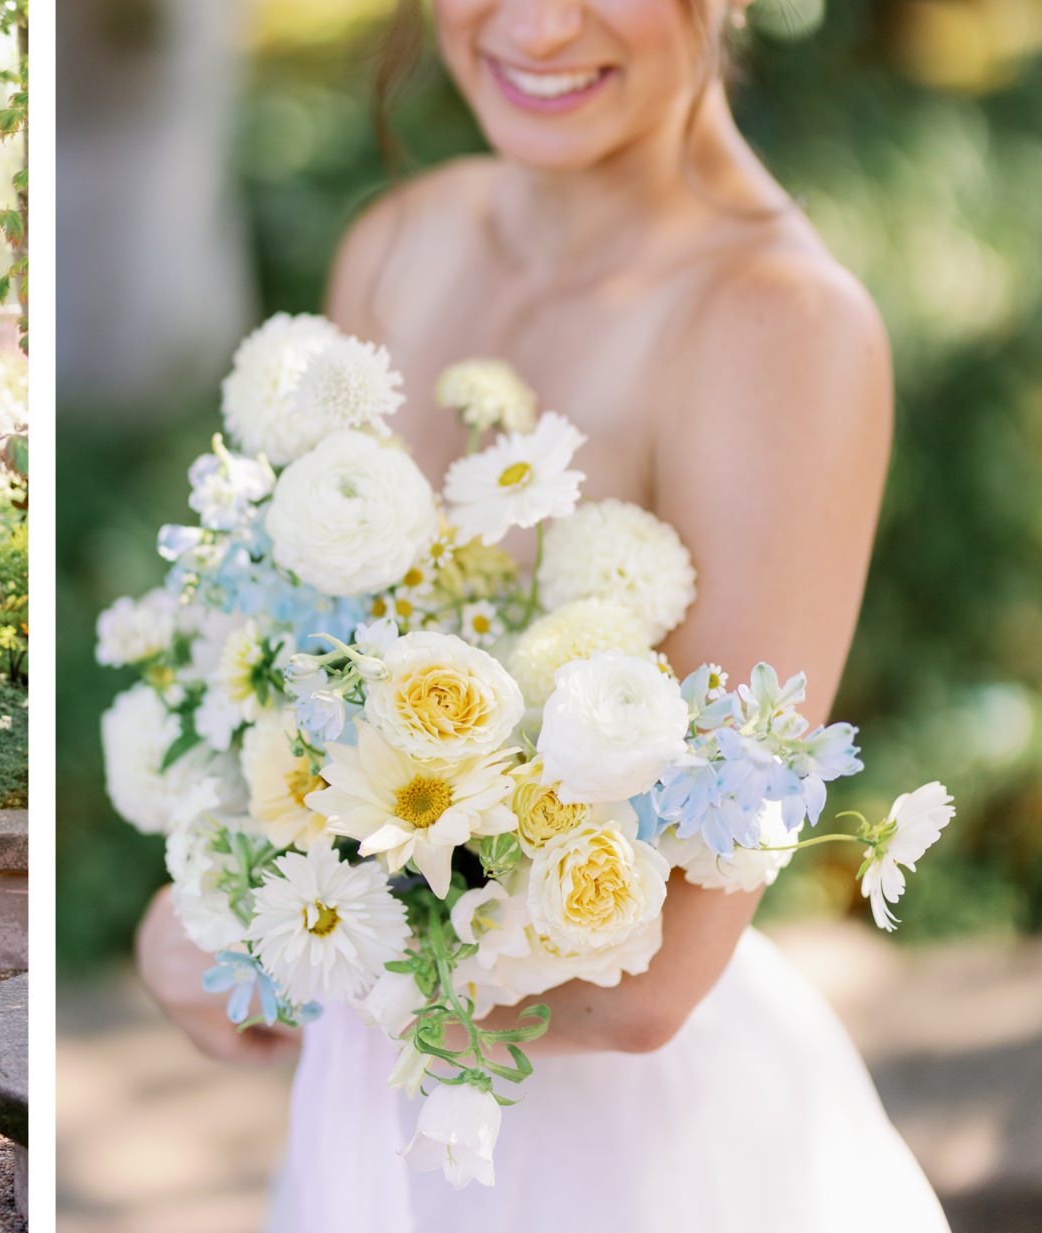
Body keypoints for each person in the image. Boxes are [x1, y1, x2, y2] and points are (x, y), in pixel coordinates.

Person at [134, 1, 951, 1228]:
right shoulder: (399, 242)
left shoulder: (781, 326)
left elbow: (653, 981)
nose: (534, 23)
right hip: (379, 1124)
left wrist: (260, 952)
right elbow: (309, 676)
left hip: (626, 1169)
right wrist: (223, 872)